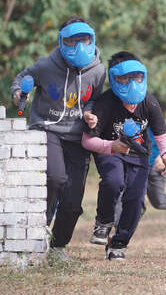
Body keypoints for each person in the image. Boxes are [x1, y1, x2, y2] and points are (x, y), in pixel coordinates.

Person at [10, 17, 105, 261]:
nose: (78, 46)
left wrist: (90, 114)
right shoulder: (46, 66)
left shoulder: (98, 70)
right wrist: (19, 93)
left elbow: (94, 99)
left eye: (83, 40)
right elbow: (21, 79)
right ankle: (39, 232)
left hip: (77, 136)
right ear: (62, 42)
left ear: (91, 39)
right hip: (47, 129)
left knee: (73, 200)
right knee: (55, 177)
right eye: (71, 41)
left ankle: (58, 246)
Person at [82, 51, 166, 261]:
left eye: (137, 77)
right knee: (113, 181)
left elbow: (162, 134)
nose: (132, 83)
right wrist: (111, 146)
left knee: (134, 199)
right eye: (124, 78)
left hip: (139, 155)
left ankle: (118, 244)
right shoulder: (106, 103)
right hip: (110, 152)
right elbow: (87, 141)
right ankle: (104, 223)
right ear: (114, 79)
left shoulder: (148, 102)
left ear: (144, 76)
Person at [108, 126, 166, 231]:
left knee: (158, 200)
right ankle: (119, 229)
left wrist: (163, 156)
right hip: (136, 165)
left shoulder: (156, 122)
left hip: (155, 166)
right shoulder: (131, 123)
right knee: (122, 195)